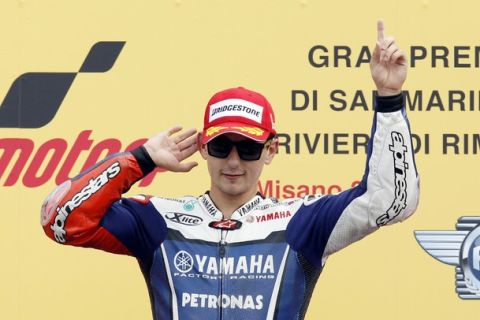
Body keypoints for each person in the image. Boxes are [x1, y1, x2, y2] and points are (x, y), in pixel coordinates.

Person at [41, 20, 419, 320]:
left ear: (271, 150)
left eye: (249, 148)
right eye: (222, 146)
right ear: (204, 148)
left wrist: (389, 99)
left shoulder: (302, 222)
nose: (234, 161)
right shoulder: (159, 222)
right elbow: (60, 218)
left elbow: (393, 200)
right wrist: (140, 160)